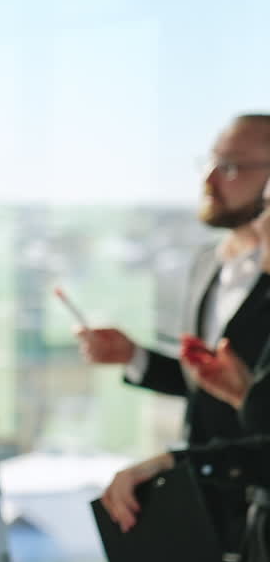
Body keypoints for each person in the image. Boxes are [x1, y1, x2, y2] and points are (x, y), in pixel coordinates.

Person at [79, 115, 270, 450]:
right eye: (211, 161)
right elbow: (207, 389)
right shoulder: (207, 261)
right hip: (200, 481)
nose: (209, 178)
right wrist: (133, 355)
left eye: (230, 166)